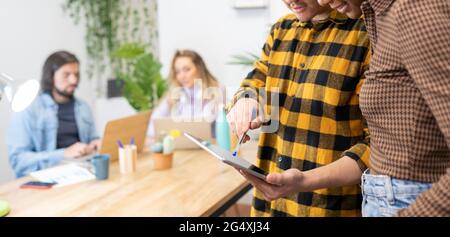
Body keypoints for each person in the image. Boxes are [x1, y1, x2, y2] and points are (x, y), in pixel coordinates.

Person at [226, 0, 371, 216]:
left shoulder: (366, 33)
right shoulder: (281, 29)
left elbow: (377, 145)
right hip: (270, 207)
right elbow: (255, 82)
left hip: (327, 207)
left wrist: (304, 181)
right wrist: (246, 101)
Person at [317, 0, 450, 217]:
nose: (322, 2)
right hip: (390, 196)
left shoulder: (415, 10)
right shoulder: (377, 14)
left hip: (409, 200)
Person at [7, 51, 100, 178]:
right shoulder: (28, 107)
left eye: (76, 74)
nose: (74, 80)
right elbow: (18, 160)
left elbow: (92, 139)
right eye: (66, 75)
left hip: (82, 172)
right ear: (51, 76)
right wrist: (63, 154)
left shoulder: (83, 107)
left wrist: (95, 144)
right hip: (44, 179)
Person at [147, 49, 224, 138]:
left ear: (199, 68)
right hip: (182, 146)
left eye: (187, 69)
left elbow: (201, 126)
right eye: (178, 72)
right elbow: (152, 127)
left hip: (208, 146)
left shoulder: (215, 91)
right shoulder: (174, 93)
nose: (182, 76)